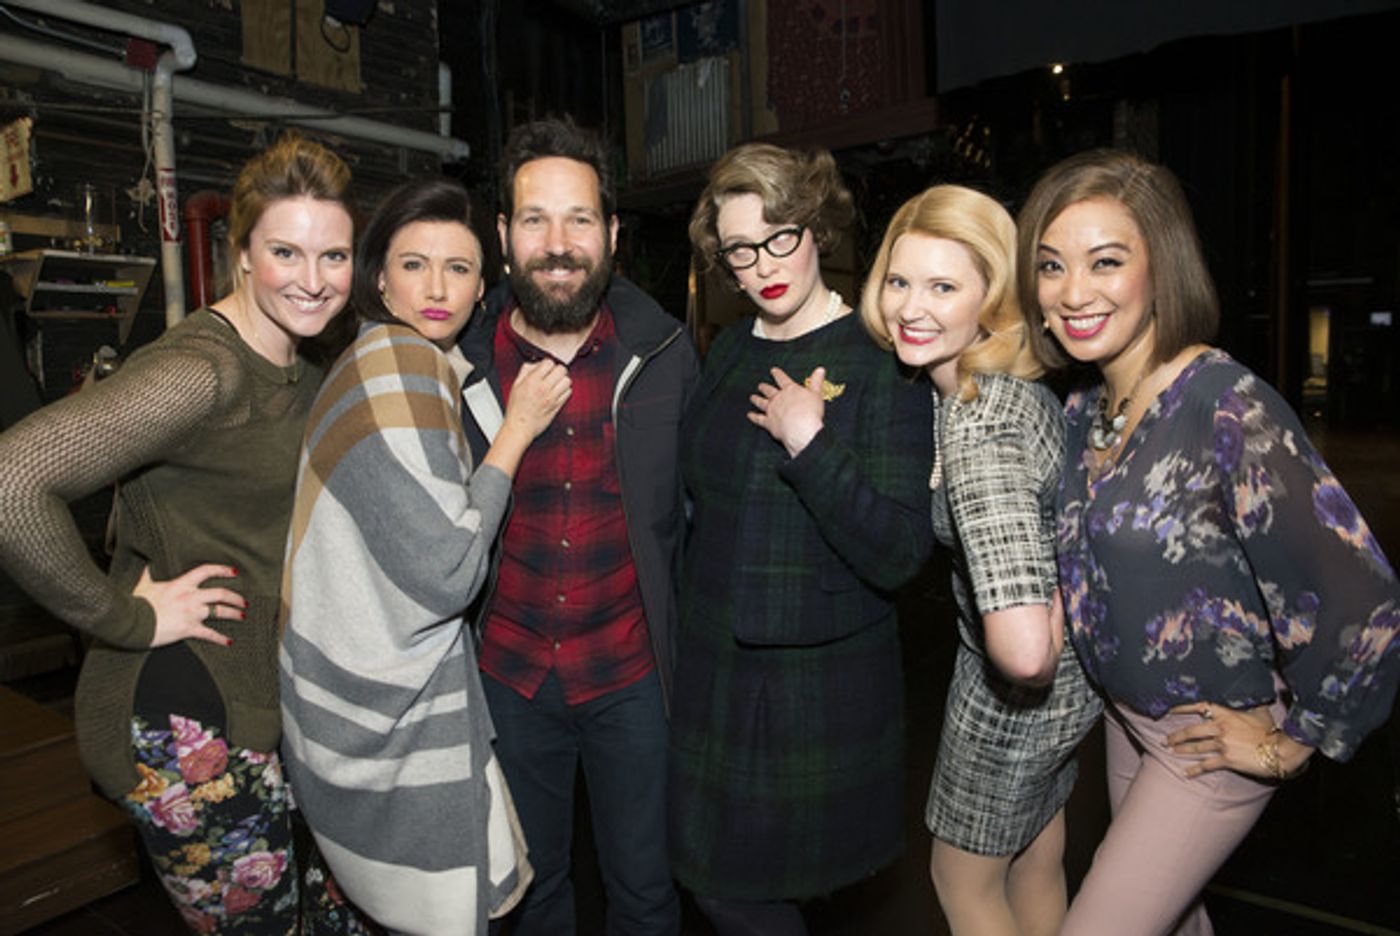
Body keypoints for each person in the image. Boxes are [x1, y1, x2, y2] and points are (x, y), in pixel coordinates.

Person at [1017, 148, 1400, 936]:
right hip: (1128, 725)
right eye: (1051, 265)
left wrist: (1292, 745)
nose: (1073, 291)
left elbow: (1364, 594)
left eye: (1106, 261)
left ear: (1163, 268)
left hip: (1207, 743)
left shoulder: (1226, 407)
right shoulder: (1085, 405)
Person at [0, 133, 356, 934]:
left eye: (333, 256)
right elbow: (11, 484)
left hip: (259, 701)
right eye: (286, 252)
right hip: (188, 713)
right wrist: (128, 615)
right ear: (241, 254)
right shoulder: (204, 371)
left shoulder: (296, 362)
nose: (312, 279)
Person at [279, 177, 572, 934]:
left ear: (482, 287)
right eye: (414, 265)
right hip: (390, 720)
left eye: (458, 268)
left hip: (339, 704)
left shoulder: (381, 359)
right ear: (379, 277)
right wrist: (518, 430)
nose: (437, 289)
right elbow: (448, 573)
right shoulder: (401, 363)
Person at [668, 142, 935, 935]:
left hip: (815, 682)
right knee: (707, 880)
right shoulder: (728, 352)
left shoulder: (882, 361)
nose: (764, 266)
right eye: (741, 250)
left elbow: (900, 552)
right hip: (715, 667)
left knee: (743, 894)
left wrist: (811, 445)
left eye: (780, 236)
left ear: (816, 227)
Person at [455, 116, 699, 936]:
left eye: (580, 220)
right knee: (530, 891)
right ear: (502, 236)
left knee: (646, 893)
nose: (558, 245)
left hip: (630, 676)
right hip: (507, 676)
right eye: (535, 220)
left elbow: (699, 517)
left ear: (613, 235)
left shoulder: (663, 355)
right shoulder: (456, 363)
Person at [860, 184, 1102, 936]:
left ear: (992, 302)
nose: (910, 308)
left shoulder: (978, 423)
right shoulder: (1001, 388)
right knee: (1035, 858)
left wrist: (1047, 622)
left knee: (962, 881)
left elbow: (1024, 653)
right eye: (899, 281)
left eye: (943, 287)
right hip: (1071, 689)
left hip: (1013, 699)